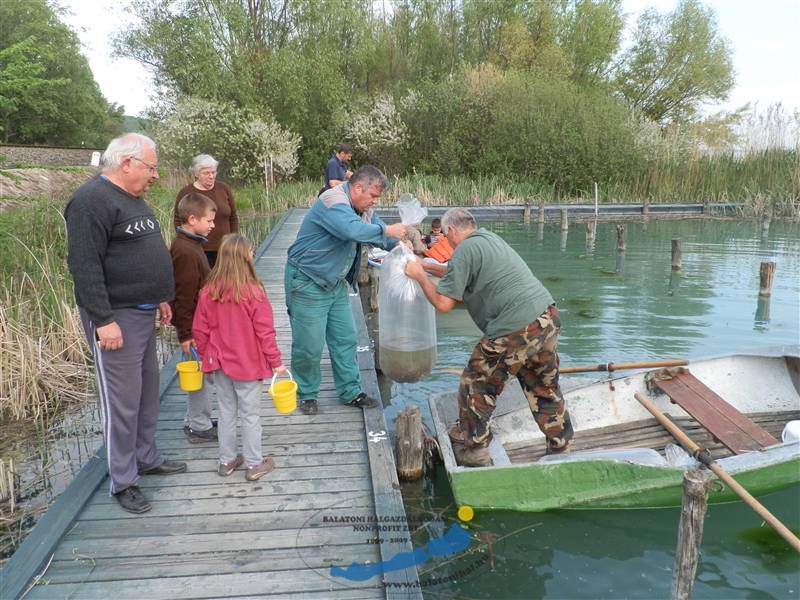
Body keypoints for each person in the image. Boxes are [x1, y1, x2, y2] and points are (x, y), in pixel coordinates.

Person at [65, 133, 186, 514]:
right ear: (127, 163)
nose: (155, 175)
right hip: (115, 318)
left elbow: (139, 252)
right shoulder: (90, 202)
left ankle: (146, 457)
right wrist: (103, 320)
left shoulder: (132, 199)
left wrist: (162, 296)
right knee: (122, 402)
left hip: (143, 312)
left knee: (147, 390)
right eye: (151, 167)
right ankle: (124, 480)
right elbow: (84, 266)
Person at [405, 208, 574, 467]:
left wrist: (419, 277)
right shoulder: (488, 240)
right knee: (543, 386)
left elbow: (443, 304)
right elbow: (454, 272)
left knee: (476, 385)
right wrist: (427, 265)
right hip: (547, 318)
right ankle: (560, 447)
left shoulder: (463, 250)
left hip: (516, 328)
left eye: (446, 236)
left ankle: (475, 451)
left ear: (450, 230)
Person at [285, 165, 407, 415]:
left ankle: (350, 392)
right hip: (307, 281)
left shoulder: (364, 209)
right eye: (373, 196)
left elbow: (379, 233)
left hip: (336, 282)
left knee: (346, 340)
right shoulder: (332, 200)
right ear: (358, 188)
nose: (375, 202)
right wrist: (387, 231)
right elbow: (353, 230)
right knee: (309, 346)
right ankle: (306, 393)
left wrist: (403, 243)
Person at [193, 234, 287, 481]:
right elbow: (265, 333)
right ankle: (255, 464)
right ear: (245, 258)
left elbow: (199, 331)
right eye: (251, 251)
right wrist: (276, 362)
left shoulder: (208, 292)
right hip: (248, 365)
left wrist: (205, 358)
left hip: (220, 363)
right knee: (250, 415)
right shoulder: (254, 293)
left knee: (225, 412)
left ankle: (226, 461)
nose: (254, 254)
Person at [170, 192, 218, 444]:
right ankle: (199, 425)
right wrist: (186, 334)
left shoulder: (192, 245)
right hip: (195, 329)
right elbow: (184, 297)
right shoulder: (185, 252)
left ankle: (198, 419)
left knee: (204, 374)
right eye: (209, 221)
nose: (213, 225)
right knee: (199, 375)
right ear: (191, 219)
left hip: (200, 325)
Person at [174, 154, 238, 267]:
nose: (211, 176)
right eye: (206, 173)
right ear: (196, 174)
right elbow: (179, 220)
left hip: (225, 249)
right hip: (200, 250)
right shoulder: (186, 193)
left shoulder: (224, 189)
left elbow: (233, 217)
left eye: (213, 172)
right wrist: (188, 244)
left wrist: (234, 242)